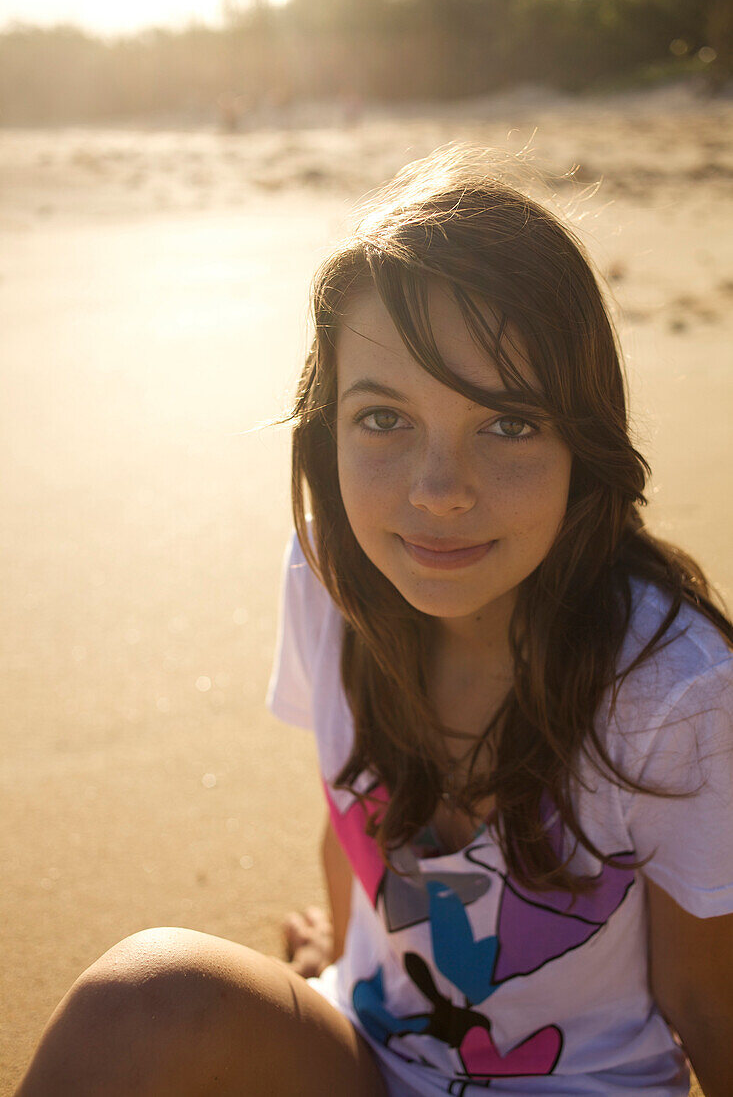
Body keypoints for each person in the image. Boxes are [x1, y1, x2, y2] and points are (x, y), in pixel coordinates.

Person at [16, 148, 733, 1096]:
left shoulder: (670, 688)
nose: (438, 493)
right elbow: (344, 813)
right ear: (328, 426)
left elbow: (708, 1001)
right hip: (368, 1054)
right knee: (148, 995)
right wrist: (354, 957)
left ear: (581, 442)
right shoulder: (329, 577)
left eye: (507, 423)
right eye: (384, 419)